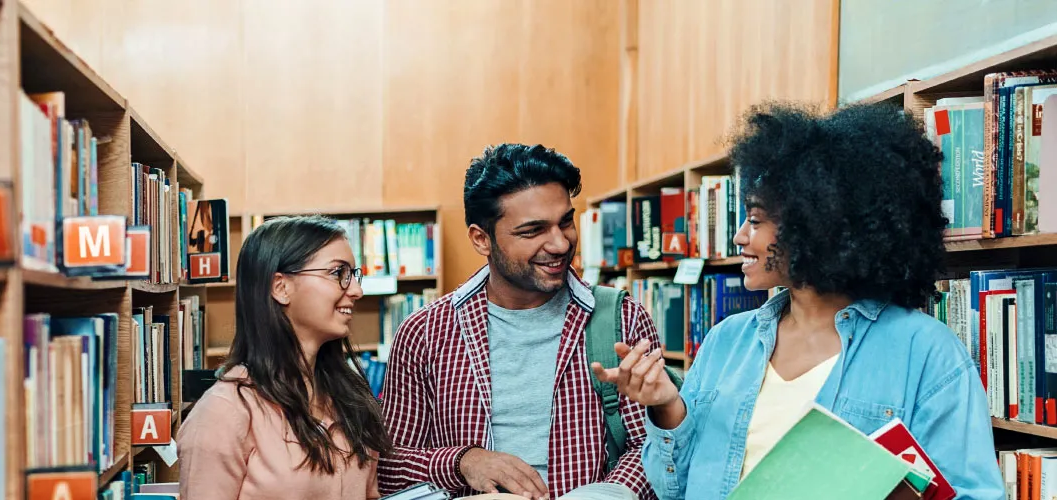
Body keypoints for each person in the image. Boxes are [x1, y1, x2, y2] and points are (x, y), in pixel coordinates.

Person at [592, 102, 1005, 499]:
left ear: (818, 226)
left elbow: (974, 494)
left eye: (755, 221)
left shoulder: (926, 353)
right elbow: (673, 490)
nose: (739, 237)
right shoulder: (726, 342)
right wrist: (667, 406)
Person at [379, 143, 663, 500]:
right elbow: (388, 466)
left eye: (565, 222)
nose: (560, 244)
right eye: (532, 231)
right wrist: (464, 462)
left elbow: (655, 446)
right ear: (481, 239)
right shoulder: (425, 333)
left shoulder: (622, 318)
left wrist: (606, 494)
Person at [177, 215, 390, 500]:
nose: (356, 291)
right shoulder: (223, 412)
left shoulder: (348, 399)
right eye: (337, 273)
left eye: (354, 275)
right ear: (281, 287)